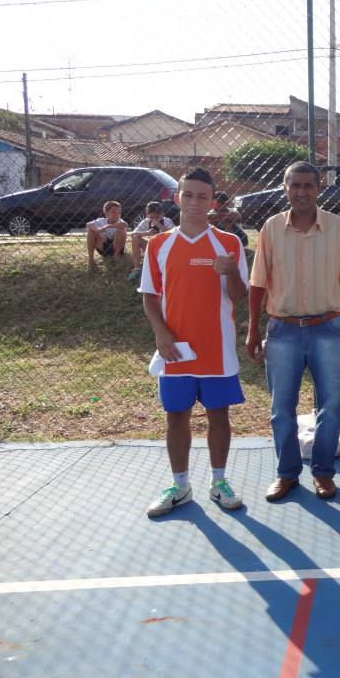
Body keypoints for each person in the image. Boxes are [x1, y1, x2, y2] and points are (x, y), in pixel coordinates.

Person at [246, 161, 340, 503]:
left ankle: (324, 473)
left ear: (319, 188)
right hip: (282, 330)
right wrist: (254, 329)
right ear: (285, 189)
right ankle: (286, 474)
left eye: (308, 185)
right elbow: (257, 283)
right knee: (280, 407)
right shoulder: (270, 229)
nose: (301, 192)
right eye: (294, 185)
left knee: (330, 405)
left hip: (329, 328)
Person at [139, 168, 248, 518]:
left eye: (203, 196)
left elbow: (240, 296)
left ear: (213, 202)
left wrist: (229, 271)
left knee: (219, 416)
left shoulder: (229, 244)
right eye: (189, 195)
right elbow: (150, 296)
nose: (195, 201)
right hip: (176, 351)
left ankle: (219, 482)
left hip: (218, 350)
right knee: (176, 417)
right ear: (177, 198)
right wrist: (161, 333)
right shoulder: (158, 244)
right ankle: (181, 486)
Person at [127, 201, 175, 283]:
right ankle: (137, 268)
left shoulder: (167, 221)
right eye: (152, 217)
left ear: (162, 214)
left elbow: (173, 234)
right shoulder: (146, 221)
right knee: (135, 237)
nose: (154, 220)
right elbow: (134, 233)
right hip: (149, 245)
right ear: (147, 215)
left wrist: (159, 225)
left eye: (157, 217)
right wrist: (146, 233)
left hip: (164, 248)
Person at [86, 200, 128, 270]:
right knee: (91, 232)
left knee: (121, 229)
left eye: (119, 212)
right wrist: (98, 232)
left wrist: (108, 226)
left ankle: (116, 256)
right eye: (113, 212)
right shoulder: (101, 221)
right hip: (102, 246)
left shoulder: (120, 221)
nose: (117, 214)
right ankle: (90, 259)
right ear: (106, 213)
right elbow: (88, 224)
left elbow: (125, 224)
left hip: (117, 247)